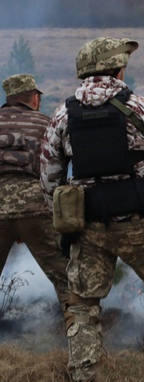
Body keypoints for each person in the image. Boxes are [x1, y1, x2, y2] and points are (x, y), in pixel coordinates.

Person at [39, 37, 144, 381]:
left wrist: (71, 216)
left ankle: (84, 375)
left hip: (88, 227)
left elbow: (48, 179)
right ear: (117, 67)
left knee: (83, 306)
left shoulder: (62, 114)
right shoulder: (141, 107)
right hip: (137, 223)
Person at [0, 74, 71, 325]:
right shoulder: (46, 123)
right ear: (35, 98)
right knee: (67, 281)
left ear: (8, 98)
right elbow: (58, 166)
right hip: (37, 208)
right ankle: (81, 347)